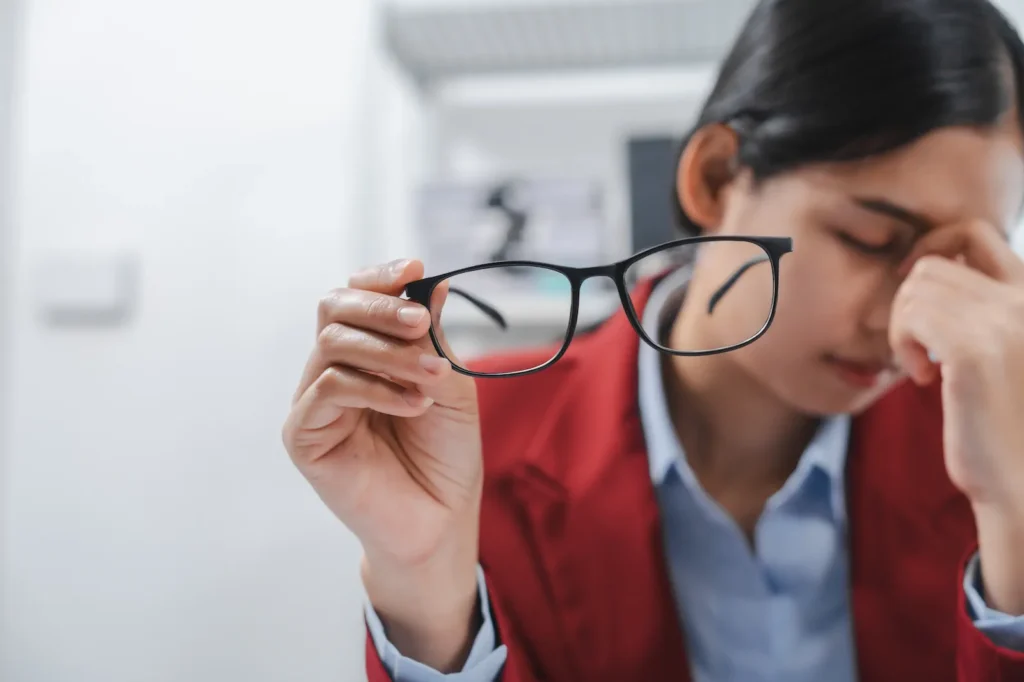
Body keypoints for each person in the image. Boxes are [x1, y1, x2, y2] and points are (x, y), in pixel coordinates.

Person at [282, 0, 1024, 679]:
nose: (904, 314)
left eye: (961, 262)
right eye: (870, 239)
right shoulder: (479, 436)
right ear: (714, 175)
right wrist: (422, 586)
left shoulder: (986, 448)